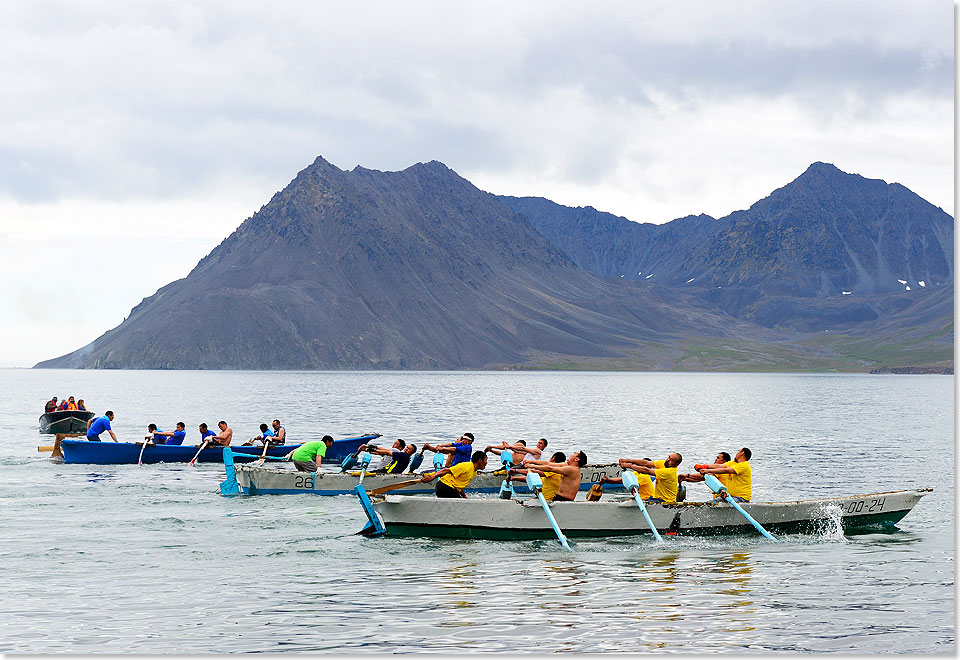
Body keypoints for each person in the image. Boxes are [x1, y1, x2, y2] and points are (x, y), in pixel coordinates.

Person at [617, 452, 683, 503]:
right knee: (631, 501)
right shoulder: (664, 463)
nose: (668, 460)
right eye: (669, 457)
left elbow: (647, 470)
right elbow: (646, 463)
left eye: (671, 460)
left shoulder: (669, 472)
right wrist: (627, 460)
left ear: (676, 464)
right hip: (656, 498)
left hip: (665, 501)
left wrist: (629, 466)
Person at [523, 450, 588, 502]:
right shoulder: (568, 465)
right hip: (558, 497)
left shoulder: (573, 469)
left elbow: (550, 469)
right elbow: (548, 464)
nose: (570, 455)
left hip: (565, 500)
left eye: (573, 454)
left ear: (576, 459)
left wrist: (532, 466)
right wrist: (531, 461)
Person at [421, 450, 487, 498]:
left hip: (451, 489)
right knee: (461, 506)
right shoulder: (465, 466)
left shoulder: (474, 472)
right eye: (485, 461)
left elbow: (459, 485)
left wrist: (464, 496)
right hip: (445, 487)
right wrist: (431, 478)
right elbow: (445, 470)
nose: (486, 463)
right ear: (480, 461)